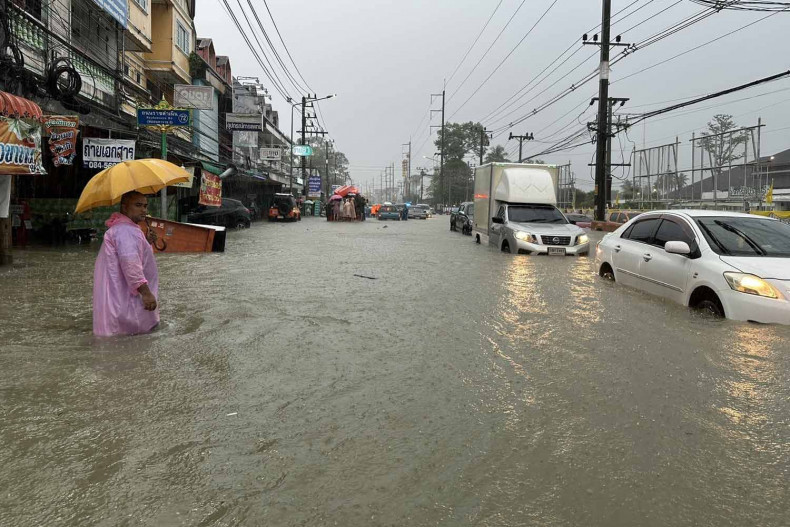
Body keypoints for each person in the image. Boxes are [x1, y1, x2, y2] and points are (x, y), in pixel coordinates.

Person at [93, 191, 160, 337]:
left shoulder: (122, 229)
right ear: (124, 208)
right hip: (126, 305)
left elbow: (127, 256)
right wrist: (146, 293)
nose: (144, 210)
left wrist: (145, 242)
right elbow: (130, 264)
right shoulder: (126, 231)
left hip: (116, 299)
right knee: (134, 348)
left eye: (145, 206)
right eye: (138, 205)